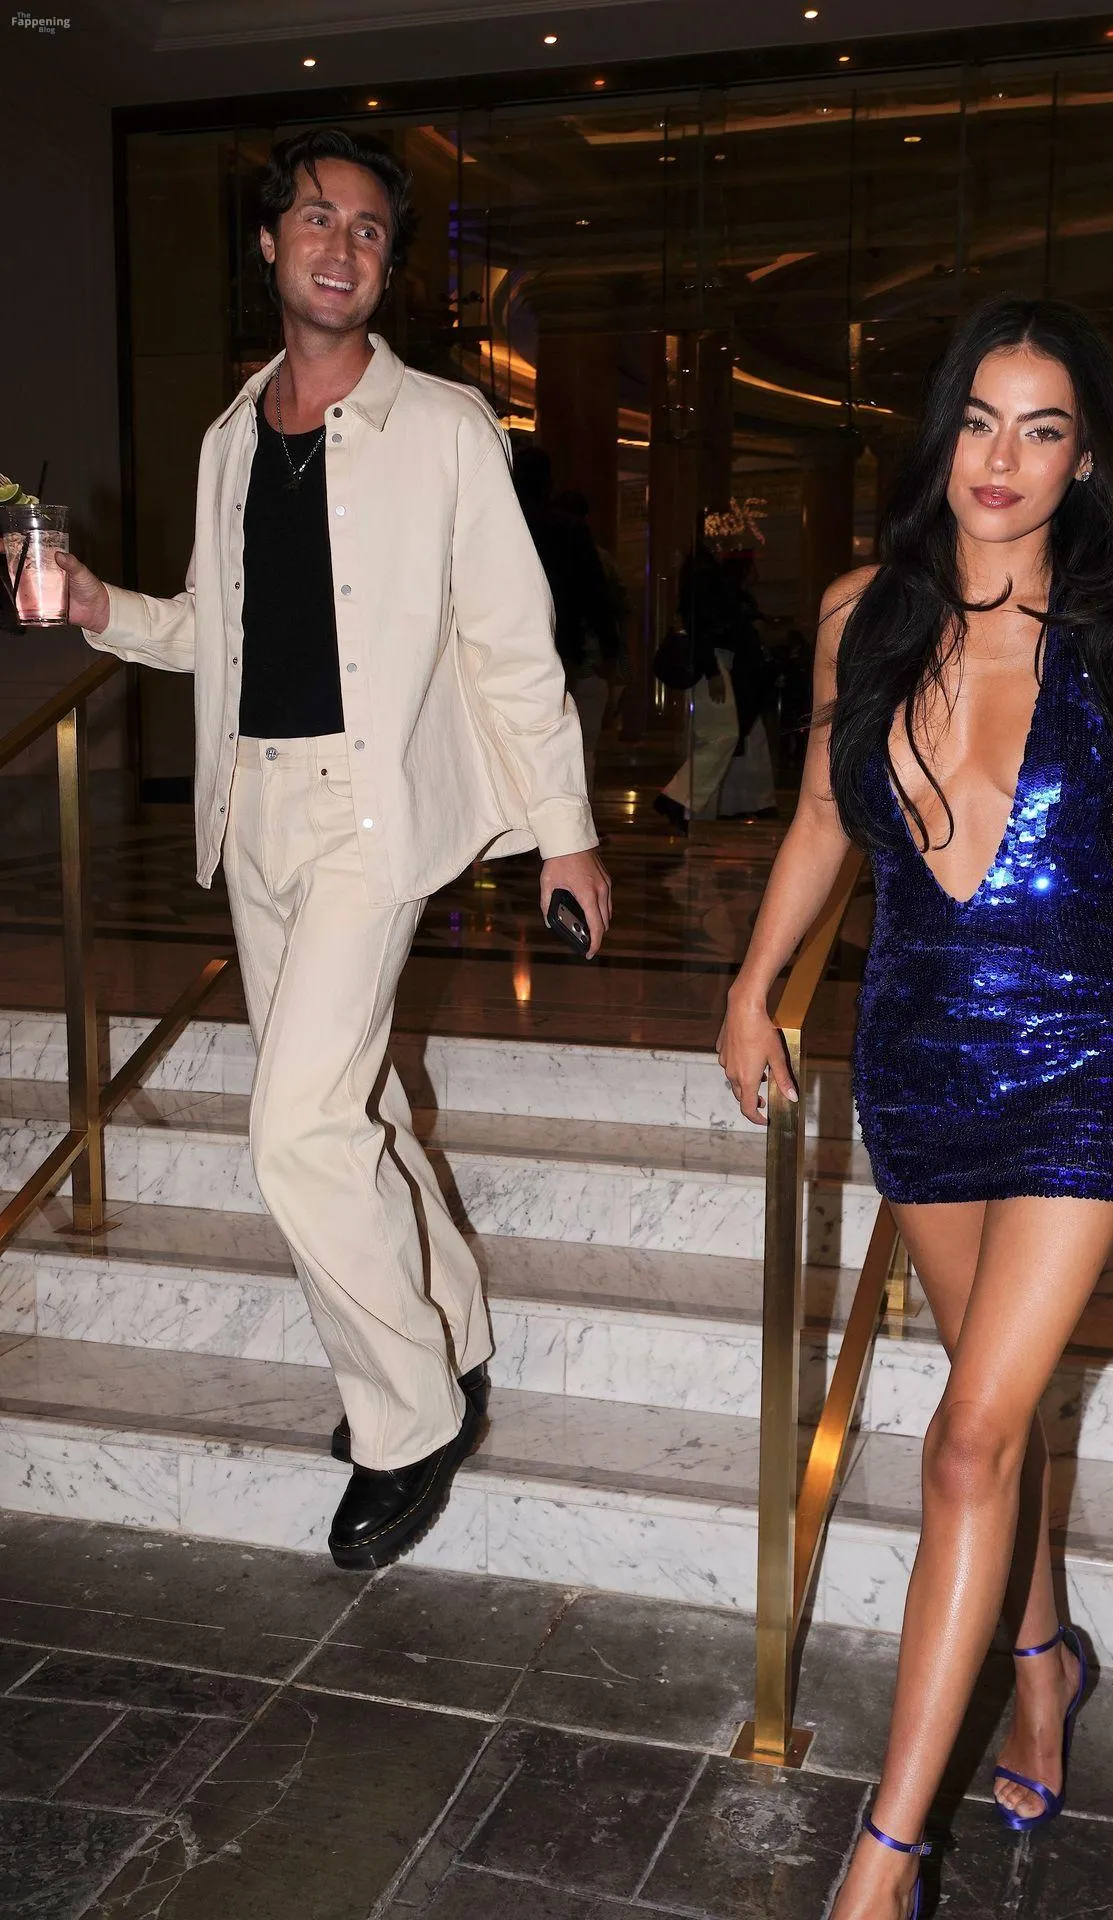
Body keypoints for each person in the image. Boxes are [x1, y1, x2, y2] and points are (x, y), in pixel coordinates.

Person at [717, 295, 1113, 1920]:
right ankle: (1045, 1663)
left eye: (1042, 430)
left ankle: (884, 1861)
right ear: (944, 433)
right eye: (979, 419)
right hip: (918, 1057)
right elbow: (824, 820)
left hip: (1085, 1061)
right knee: (996, 1413)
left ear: (1083, 459)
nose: (1001, 458)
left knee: (966, 1440)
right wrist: (755, 985)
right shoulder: (863, 615)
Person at [58, 127, 611, 1575]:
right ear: (270, 243)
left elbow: (510, 642)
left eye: (369, 230)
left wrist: (565, 833)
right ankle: (457, 1335)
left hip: (373, 816)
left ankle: (408, 1417)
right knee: (351, 1103)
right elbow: (212, 628)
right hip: (254, 811)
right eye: (317, 219)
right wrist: (100, 607)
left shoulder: (445, 428)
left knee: (295, 1131)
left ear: (386, 265)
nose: (341, 247)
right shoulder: (229, 436)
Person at [511, 450, 621, 797]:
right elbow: (594, 592)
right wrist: (610, 649)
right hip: (562, 644)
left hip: (512, 644)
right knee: (570, 737)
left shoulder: (503, 524)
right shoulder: (567, 529)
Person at [654, 536, 777, 830]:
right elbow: (702, 629)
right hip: (712, 664)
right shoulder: (705, 576)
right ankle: (675, 798)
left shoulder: (701, 576)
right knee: (723, 734)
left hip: (712, 663)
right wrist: (712, 673)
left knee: (720, 734)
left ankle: (678, 798)